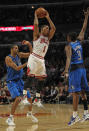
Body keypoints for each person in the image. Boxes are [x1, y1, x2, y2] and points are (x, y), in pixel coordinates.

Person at [63, 8, 89, 126]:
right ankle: (86, 113)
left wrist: (65, 70)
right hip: (83, 68)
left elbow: (68, 58)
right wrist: (87, 17)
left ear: (69, 38)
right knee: (83, 92)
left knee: (75, 94)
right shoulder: (79, 41)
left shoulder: (68, 46)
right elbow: (84, 28)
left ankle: (74, 116)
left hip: (75, 70)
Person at [24, 8, 56, 103]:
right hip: (34, 57)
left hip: (41, 60)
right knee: (30, 76)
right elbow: (36, 25)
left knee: (41, 79)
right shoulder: (37, 36)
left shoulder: (48, 38)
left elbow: (54, 29)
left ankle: (37, 98)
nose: (48, 29)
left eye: (47, 28)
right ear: (42, 30)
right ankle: (25, 97)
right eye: (46, 28)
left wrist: (48, 17)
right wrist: (35, 15)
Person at [5, 41, 38, 126]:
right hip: (11, 81)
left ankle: (30, 113)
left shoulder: (19, 55)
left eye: (17, 48)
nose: (17, 49)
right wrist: (27, 63)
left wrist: (29, 45)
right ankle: (10, 118)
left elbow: (31, 54)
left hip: (19, 80)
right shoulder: (8, 58)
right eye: (15, 48)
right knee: (18, 98)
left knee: (29, 97)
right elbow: (16, 68)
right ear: (12, 49)